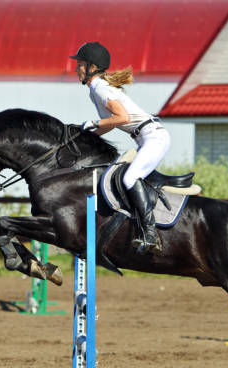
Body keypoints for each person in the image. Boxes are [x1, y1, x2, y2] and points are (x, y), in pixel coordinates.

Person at [70, 41, 170, 253]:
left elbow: (122, 118)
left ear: (92, 67)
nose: (76, 68)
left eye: (80, 64)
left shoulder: (99, 88)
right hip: (145, 138)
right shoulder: (95, 90)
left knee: (129, 178)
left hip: (154, 137)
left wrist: (94, 124)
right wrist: (86, 137)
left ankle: (150, 233)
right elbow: (111, 124)